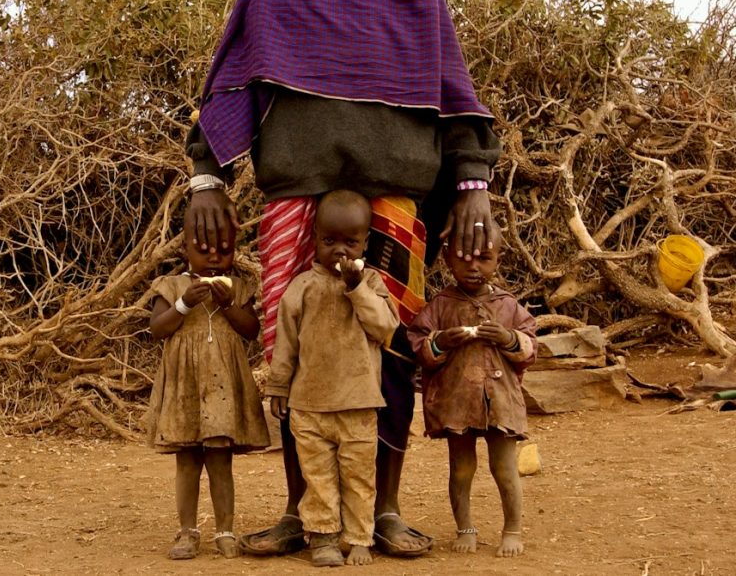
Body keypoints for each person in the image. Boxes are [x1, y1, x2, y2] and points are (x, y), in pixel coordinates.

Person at [186, 0, 501, 558]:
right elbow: (234, 74)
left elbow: (451, 85)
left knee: (389, 357)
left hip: (395, 199)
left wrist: (473, 182)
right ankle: (306, 511)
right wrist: (206, 174)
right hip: (299, 195)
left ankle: (381, 510)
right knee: (295, 355)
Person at [265, 190, 398, 566]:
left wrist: (356, 288)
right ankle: (322, 536)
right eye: (329, 241)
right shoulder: (302, 287)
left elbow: (385, 326)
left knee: (358, 477)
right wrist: (278, 385)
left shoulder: (371, 284)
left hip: (358, 404)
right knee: (318, 477)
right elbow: (286, 344)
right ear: (314, 237)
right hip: (309, 406)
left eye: (351, 242)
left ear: (365, 242)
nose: (340, 251)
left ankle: (359, 538)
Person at [146, 205, 271, 560]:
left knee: (220, 460)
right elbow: (158, 329)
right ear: (186, 247)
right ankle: (187, 532)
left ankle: (225, 531)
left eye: (225, 249)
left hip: (222, 391)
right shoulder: (170, 286)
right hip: (185, 388)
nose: (215, 257)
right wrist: (184, 305)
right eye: (204, 249)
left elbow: (251, 331)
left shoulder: (240, 288)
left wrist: (230, 305)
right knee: (187, 461)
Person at [407, 226, 535, 557]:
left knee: (504, 468)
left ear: (499, 260)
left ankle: (512, 529)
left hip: (500, 400)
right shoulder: (440, 305)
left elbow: (530, 344)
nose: (474, 267)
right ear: (448, 259)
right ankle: (466, 528)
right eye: (464, 259)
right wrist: (440, 342)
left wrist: (508, 339)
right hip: (457, 401)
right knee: (462, 468)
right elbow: (418, 341)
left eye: (484, 259)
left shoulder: (507, 305)